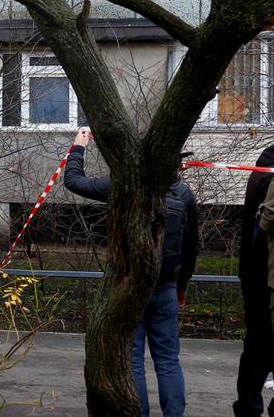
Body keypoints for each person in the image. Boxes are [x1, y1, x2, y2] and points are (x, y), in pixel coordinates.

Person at [63, 129, 197, 417]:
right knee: (169, 361)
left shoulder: (122, 185)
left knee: (133, 360)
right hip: (166, 287)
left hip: (128, 286)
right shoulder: (183, 194)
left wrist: (78, 147)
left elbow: (74, 181)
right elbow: (192, 247)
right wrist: (182, 284)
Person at [233, 144, 274, 416]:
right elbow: (267, 220)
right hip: (264, 275)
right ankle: (249, 406)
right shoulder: (269, 171)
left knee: (256, 347)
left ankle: (248, 406)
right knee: (260, 347)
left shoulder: (264, 164)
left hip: (255, 272)